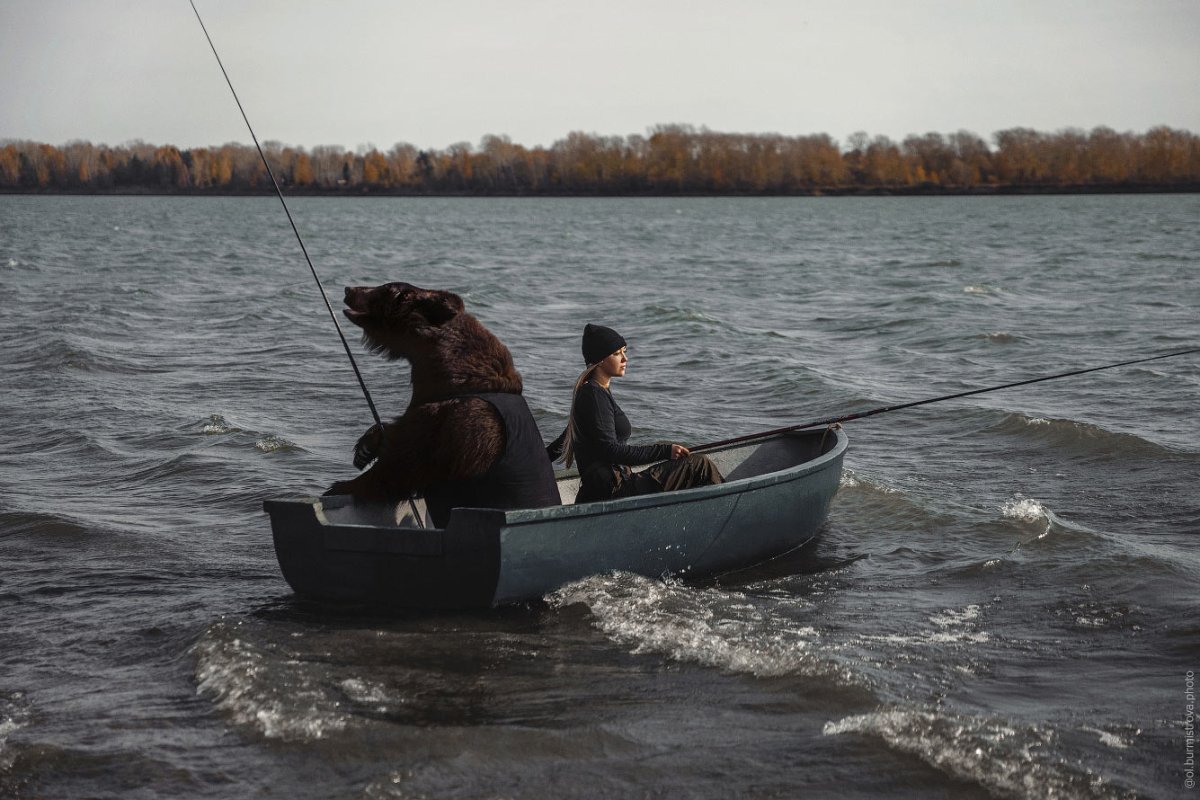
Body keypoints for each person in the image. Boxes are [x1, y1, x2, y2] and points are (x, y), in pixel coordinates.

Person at [546, 323, 723, 504]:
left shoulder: (595, 392)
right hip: (614, 490)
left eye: (624, 351)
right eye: (617, 354)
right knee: (698, 464)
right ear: (600, 360)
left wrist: (533, 461)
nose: (625, 359)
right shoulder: (593, 395)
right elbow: (611, 450)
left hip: (610, 486)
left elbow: (564, 440)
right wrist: (665, 450)